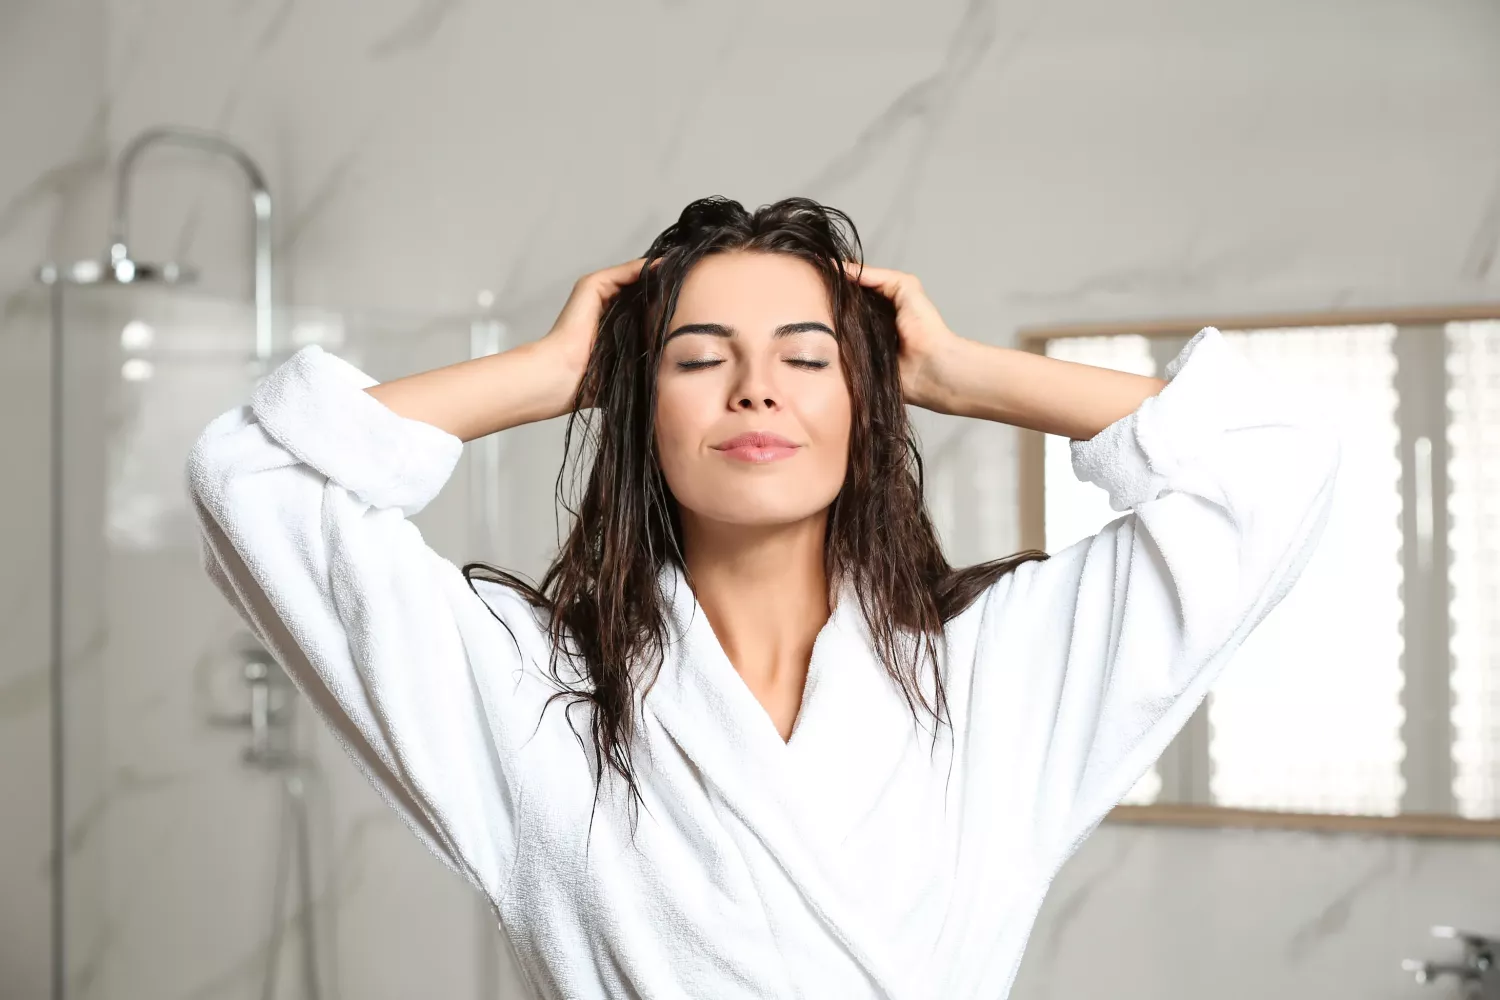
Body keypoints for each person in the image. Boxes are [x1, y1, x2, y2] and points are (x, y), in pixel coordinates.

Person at [186, 196, 1339, 999]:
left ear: (866, 403)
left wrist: (956, 372)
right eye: (696, 359)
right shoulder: (535, 694)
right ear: (640, 407)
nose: (754, 391)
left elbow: (1277, 465)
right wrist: (548, 376)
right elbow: (251, 478)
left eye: (807, 356)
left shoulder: (1004, 675)